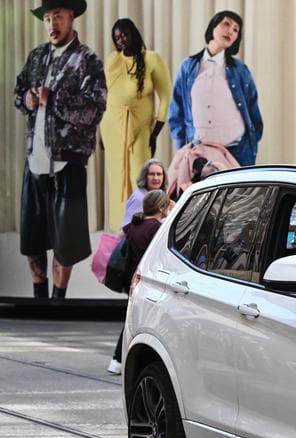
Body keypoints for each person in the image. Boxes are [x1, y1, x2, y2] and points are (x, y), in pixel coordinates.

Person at [14, 0, 107, 301]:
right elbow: (18, 93)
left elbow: (94, 109)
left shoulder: (86, 59)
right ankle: (39, 298)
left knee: (65, 242)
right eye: (48, 18)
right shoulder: (37, 56)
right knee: (32, 237)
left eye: (59, 17)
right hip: (35, 159)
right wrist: (26, 99)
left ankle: (58, 301)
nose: (52, 24)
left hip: (68, 161)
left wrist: (53, 100)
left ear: (71, 18)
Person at [169, 10, 263, 167]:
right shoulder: (188, 67)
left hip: (237, 152)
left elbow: (254, 116)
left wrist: (250, 146)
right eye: (226, 24)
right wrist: (183, 147)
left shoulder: (240, 70)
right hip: (199, 154)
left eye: (235, 30)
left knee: (238, 192)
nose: (230, 31)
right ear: (213, 26)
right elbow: (176, 112)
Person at [102, 18, 171, 233]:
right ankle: (119, 232)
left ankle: (144, 228)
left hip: (140, 129)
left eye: (124, 35)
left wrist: (155, 132)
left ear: (134, 33)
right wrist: (100, 134)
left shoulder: (151, 59)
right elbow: (104, 97)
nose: (121, 40)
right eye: (117, 37)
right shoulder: (112, 60)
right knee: (116, 182)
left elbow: (166, 96)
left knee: (141, 180)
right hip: (112, 130)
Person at [107, 189, 171, 374]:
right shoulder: (155, 228)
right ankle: (119, 359)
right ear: (161, 207)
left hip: (132, 281)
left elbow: (121, 235)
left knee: (135, 318)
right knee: (139, 320)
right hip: (148, 280)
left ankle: (119, 360)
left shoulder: (136, 224)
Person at [121, 159, 166, 232]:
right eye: (151, 174)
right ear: (145, 176)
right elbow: (127, 228)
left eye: (159, 174)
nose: (155, 178)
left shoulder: (158, 196)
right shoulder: (139, 198)